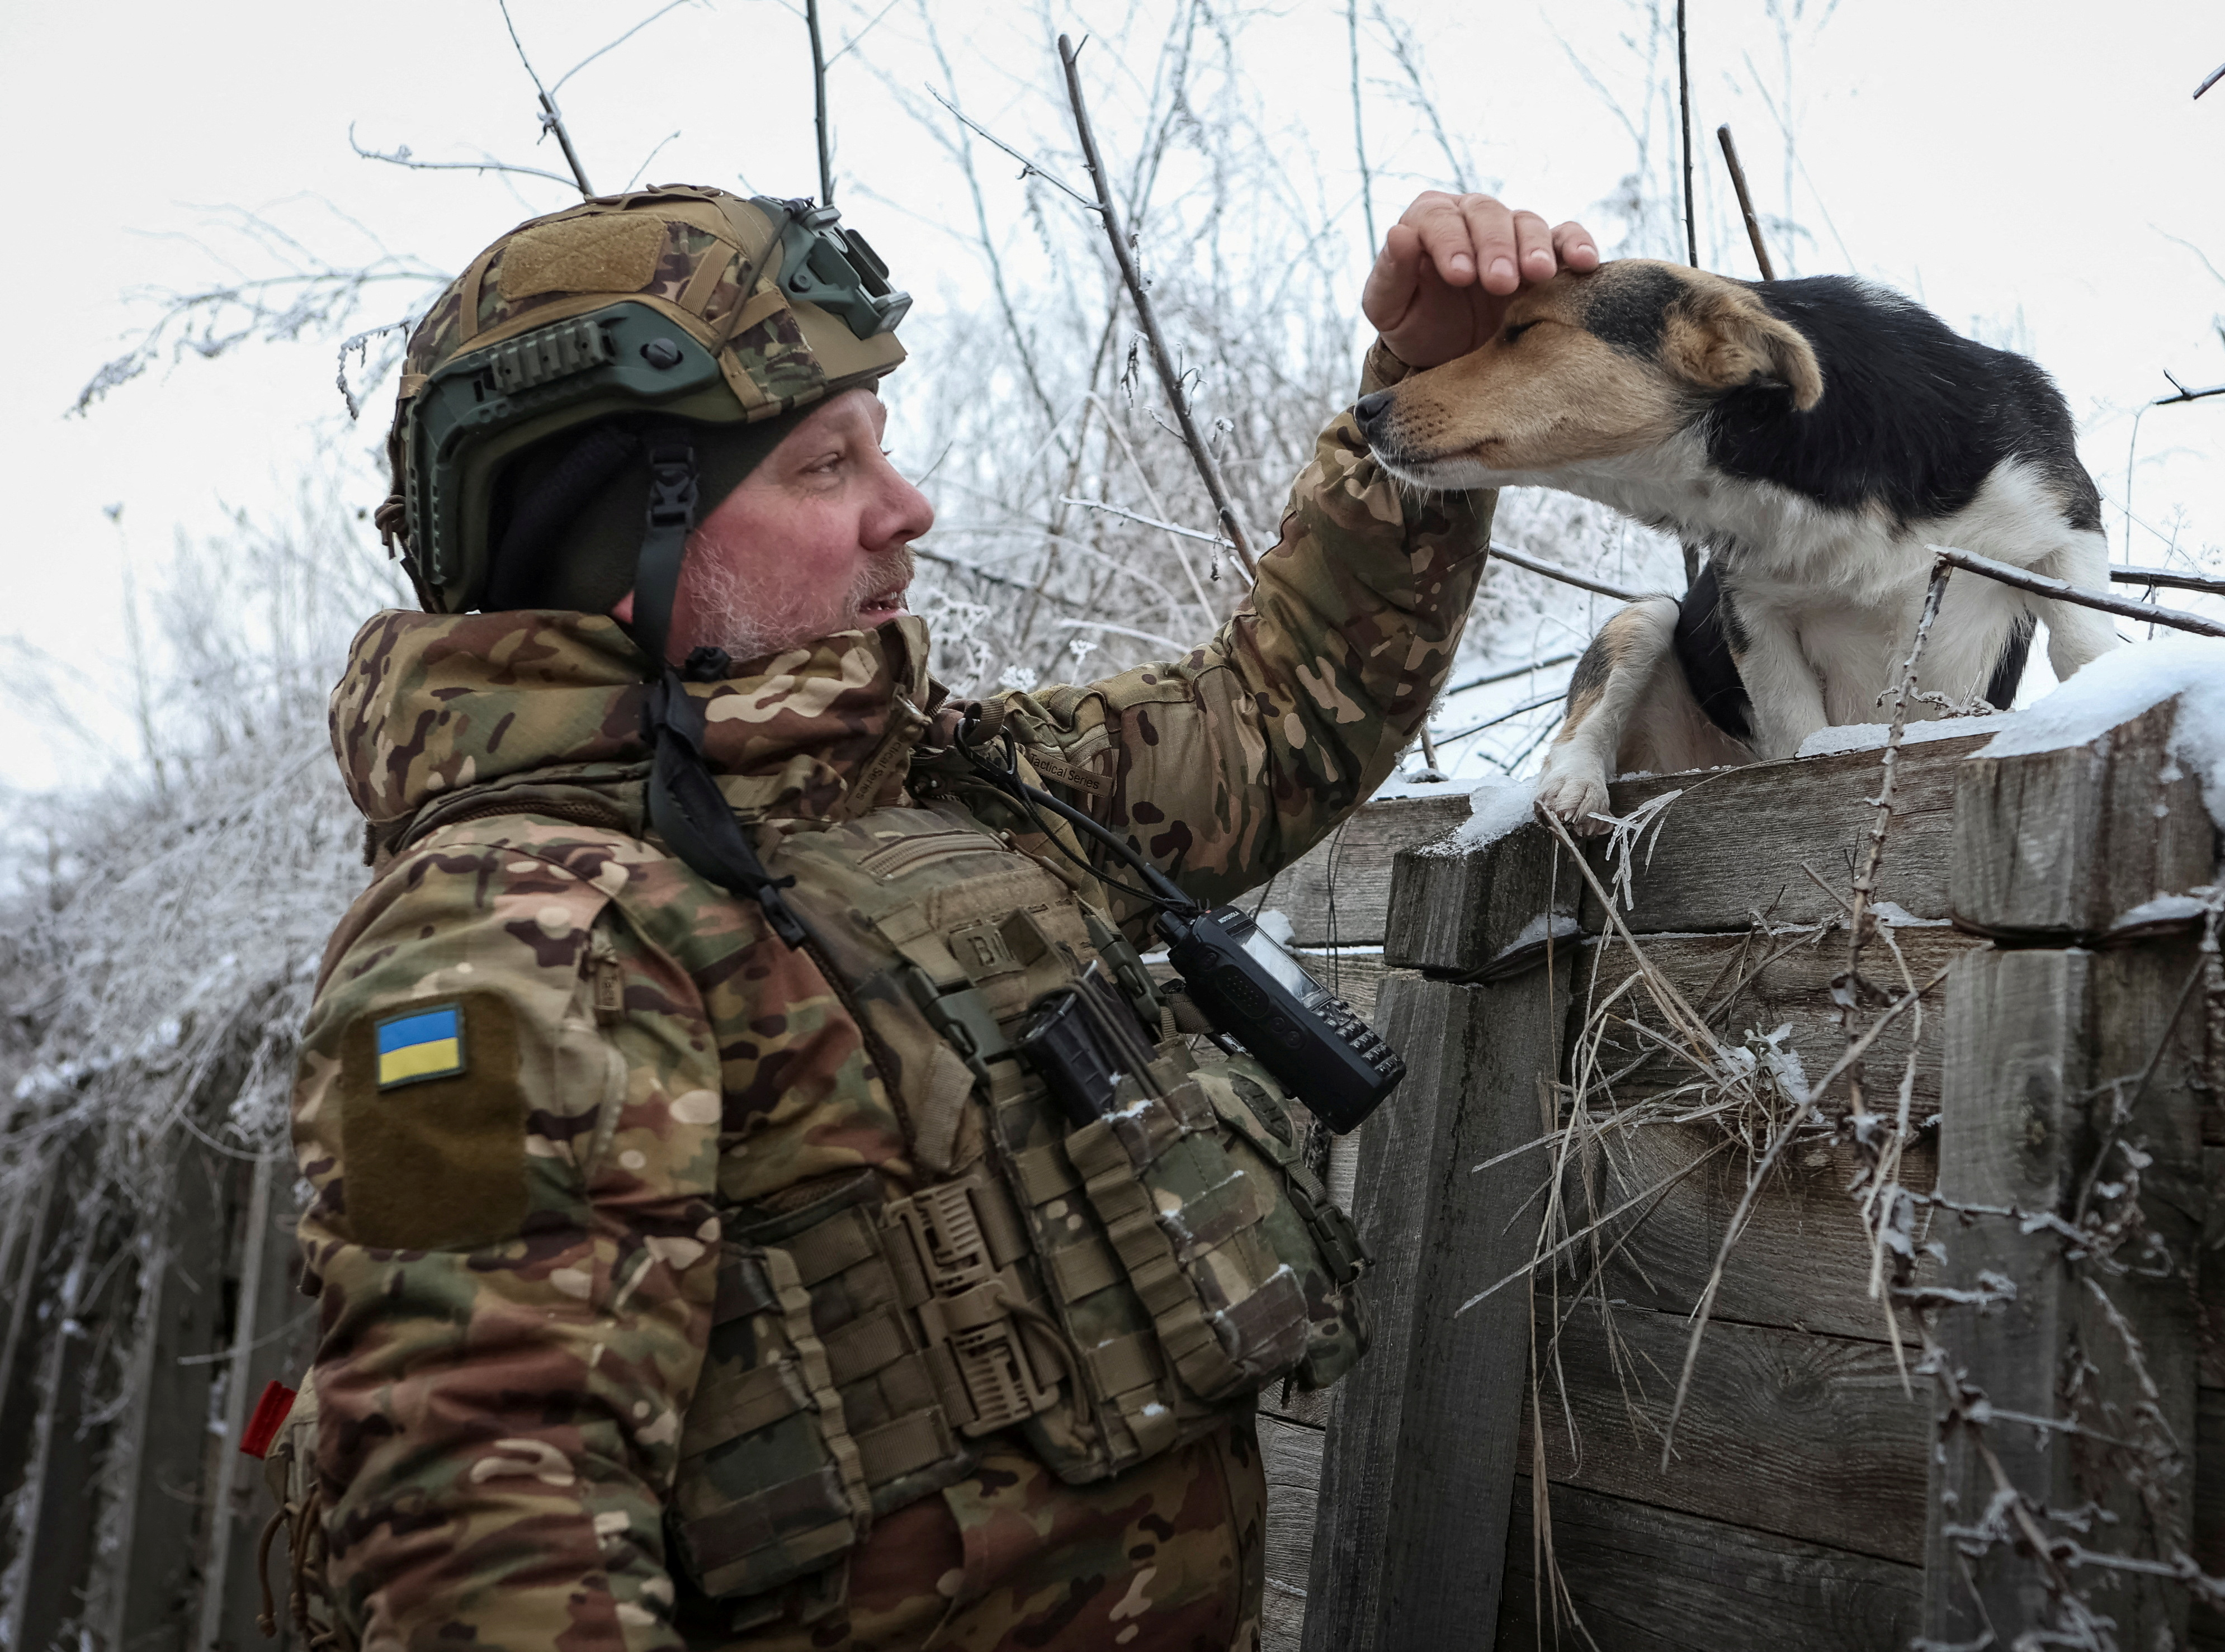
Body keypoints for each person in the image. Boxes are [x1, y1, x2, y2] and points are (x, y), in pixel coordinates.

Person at [264, 182, 1597, 1652]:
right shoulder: (509, 933)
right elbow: (482, 1543)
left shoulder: (934, 783)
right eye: (826, 463)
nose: (908, 510)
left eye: (879, 448)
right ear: (616, 540)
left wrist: (1428, 395)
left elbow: (1271, 717)